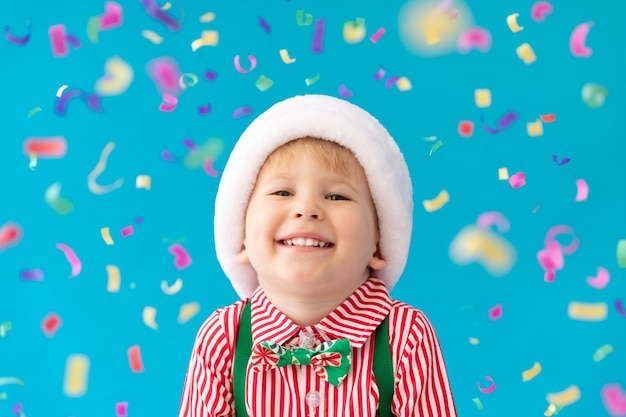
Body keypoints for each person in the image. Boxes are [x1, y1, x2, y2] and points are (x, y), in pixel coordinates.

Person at [179, 94, 457, 416]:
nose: (307, 209)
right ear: (239, 234)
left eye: (337, 195)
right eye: (282, 192)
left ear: (379, 245)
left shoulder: (406, 336)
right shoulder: (223, 338)